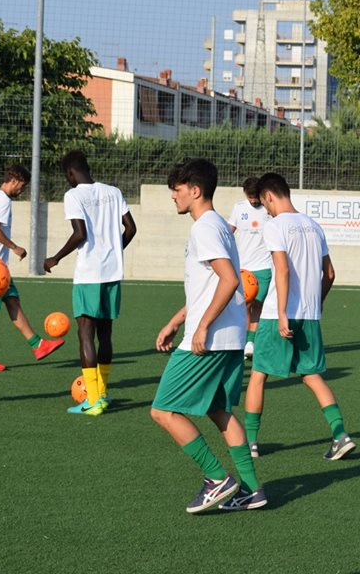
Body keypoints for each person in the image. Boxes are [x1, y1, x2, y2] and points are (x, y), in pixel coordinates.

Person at [152, 158, 265, 513]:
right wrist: (176, 320)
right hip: (229, 338)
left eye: (178, 189)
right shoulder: (217, 225)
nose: (173, 195)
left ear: (195, 190)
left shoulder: (205, 228)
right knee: (219, 410)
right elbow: (210, 285)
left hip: (209, 340)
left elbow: (230, 281)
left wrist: (200, 327)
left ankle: (218, 478)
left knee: (163, 410)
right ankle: (251, 489)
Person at [243, 172, 356, 461]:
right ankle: (340, 434)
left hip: (276, 315)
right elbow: (329, 274)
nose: (265, 209)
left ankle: (251, 443)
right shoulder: (313, 225)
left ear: (269, 196)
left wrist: (281, 313)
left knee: (258, 375)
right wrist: (315, 305)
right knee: (311, 376)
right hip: (309, 315)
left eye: (264, 203)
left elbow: (281, 271)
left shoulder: (275, 226)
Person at [43, 150, 136, 416]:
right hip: (112, 273)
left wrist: (55, 258)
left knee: (85, 334)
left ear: (70, 173)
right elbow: (130, 228)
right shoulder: (113, 192)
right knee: (105, 335)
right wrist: (114, 250)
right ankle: (103, 395)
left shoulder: (73, 195)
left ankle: (93, 400)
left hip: (89, 274)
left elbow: (79, 233)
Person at [0, 165, 64, 372]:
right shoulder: (3, 200)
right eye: (22, 186)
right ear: (13, 180)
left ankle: (38, 345)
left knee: (12, 301)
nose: (22, 191)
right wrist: (14, 247)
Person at [227, 177, 272, 359]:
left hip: (264, 266)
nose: (254, 200)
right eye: (250, 196)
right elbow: (229, 231)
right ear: (245, 193)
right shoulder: (239, 208)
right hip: (243, 267)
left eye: (256, 197)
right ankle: (244, 341)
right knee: (244, 305)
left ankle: (251, 342)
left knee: (258, 305)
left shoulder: (269, 209)